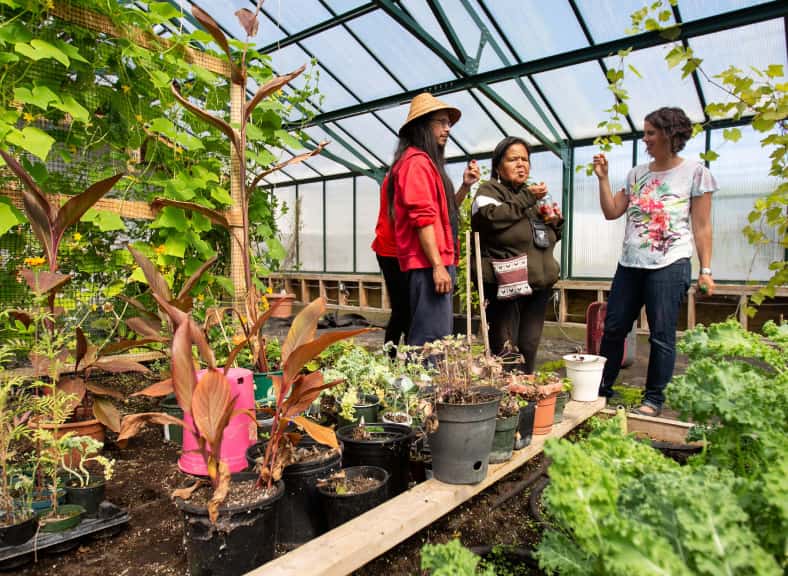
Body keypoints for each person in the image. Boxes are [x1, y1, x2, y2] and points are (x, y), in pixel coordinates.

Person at [593, 106, 716, 417]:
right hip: (630, 263)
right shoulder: (637, 174)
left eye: (650, 133)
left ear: (669, 135)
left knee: (662, 334)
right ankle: (602, 389)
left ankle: (653, 399)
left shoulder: (696, 173)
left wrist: (706, 271)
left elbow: (702, 226)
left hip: (670, 264)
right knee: (614, 327)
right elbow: (611, 211)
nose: (645, 138)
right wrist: (603, 179)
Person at [383, 92, 479, 347]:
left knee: (434, 340)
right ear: (422, 125)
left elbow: (442, 215)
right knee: (430, 342)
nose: (448, 129)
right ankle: (424, 387)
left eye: (449, 123)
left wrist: (464, 187)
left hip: (432, 262)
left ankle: (426, 385)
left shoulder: (426, 163)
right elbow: (422, 219)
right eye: (442, 122)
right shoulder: (416, 163)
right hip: (427, 265)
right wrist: (437, 266)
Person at [471, 136, 563, 373]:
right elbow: (490, 218)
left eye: (525, 159)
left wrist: (555, 223)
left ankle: (526, 398)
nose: (521, 164)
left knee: (529, 346)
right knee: (506, 349)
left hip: (538, 285)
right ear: (499, 165)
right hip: (505, 285)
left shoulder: (530, 197)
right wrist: (527, 198)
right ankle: (504, 401)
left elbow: (546, 237)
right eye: (513, 159)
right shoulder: (489, 191)